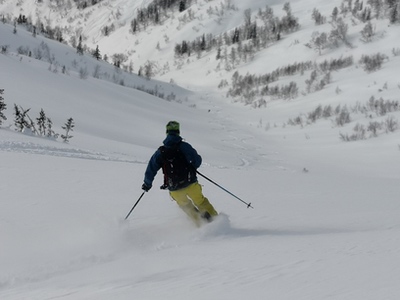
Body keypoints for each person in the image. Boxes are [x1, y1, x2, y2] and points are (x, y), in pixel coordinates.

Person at [142, 121, 218, 226]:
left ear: (167, 132)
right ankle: (217, 223)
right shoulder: (184, 146)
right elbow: (197, 161)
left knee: (187, 206)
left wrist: (147, 184)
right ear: (178, 131)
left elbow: (151, 168)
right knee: (201, 202)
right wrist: (191, 167)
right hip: (191, 183)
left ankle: (201, 226)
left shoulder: (161, 152)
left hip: (175, 189)